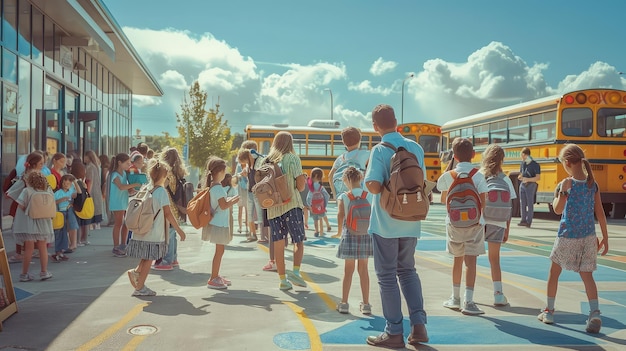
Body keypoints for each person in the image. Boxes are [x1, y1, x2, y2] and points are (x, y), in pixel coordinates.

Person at [364, 104, 428, 348]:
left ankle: (393, 332)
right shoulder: (416, 148)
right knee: (408, 271)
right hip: (411, 221)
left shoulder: (380, 149)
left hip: (386, 223)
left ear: (375, 126)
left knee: (387, 276)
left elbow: (373, 185)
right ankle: (419, 326)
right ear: (396, 121)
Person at [537, 144, 609, 333]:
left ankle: (549, 311)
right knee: (587, 276)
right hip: (588, 237)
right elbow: (600, 213)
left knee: (554, 273)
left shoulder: (566, 184)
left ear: (567, 163)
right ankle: (594, 312)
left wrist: (563, 191)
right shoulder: (592, 184)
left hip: (568, 236)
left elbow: (558, 209)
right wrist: (605, 238)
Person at [437, 137, 488, 316]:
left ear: (454, 156)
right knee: (471, 262)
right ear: (473, 155)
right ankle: (469, 301)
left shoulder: (448, 175)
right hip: (475, 224)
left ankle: (455, 298)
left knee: (457, 260)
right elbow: (483, 201)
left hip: (453, 224)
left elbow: (444, 199)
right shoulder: (478, 175)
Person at [126, 159, 186, 296]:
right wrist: (179, 230)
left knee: (146, 257)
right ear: (164, 176)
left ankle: (135, 272)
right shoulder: (162, 192)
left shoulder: (145, 188)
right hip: (153, 232)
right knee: (149, 259)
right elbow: (168, 214)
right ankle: (140, 288)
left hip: (142, 229)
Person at [265, 131, 307, 290]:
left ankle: (283, 280)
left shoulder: (266, 160)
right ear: (290, 143)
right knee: (298, 240)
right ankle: (295, 272)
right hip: (292, 205)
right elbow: (301, 186)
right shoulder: (293, 158)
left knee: (278, 243)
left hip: (274, 208)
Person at [480, 144, 516, 306]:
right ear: (502, 160)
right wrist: (507, 228)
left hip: (481, 221)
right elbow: (510, 206)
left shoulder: (480, 176)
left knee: (471, 258)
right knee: (494, 259)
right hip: (499, 222)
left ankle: (468, 295)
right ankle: (498, 294)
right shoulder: (506, 179)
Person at [335, 166, 373, 315]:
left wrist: (339, 232)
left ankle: (344, 303)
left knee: (348, 271)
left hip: (349, 233)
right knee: (363, 270)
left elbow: (340, 214)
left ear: (346, 180)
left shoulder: (344, 196)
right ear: (361, 178)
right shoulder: (368, 194)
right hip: (365, 234)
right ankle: (366, 304)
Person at [202, 157, 239, 289]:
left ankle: (216, 275)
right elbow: (223, 205)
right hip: (219, 224)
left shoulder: (214, 187)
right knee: (219, 251)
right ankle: (213, 277)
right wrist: (234, 200)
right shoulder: (217, 188)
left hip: (218, 222)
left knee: (220, 250)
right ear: (220, 172)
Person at [14, 171, 54, 282]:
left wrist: (29, 210)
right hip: (43, 223)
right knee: (42, 247)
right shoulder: (48, 190)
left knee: (29, 249)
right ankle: (44, 272)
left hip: (29, 223)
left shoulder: (27, 191)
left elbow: (21, 205)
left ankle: (24, 274)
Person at [153, 147, 188, 270]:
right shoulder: (178, 174)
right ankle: (173, 258)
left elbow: (161, 187)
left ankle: (166, 261)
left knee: (167, 235)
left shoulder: (167, 174)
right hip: (175, 209)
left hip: (167, 206)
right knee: (172, 235)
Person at [108, 153, 140, 257]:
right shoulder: (114, 175)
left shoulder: (124, 174)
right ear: (119, 163)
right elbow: (121, 187)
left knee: (126, 224)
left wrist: (131, 190)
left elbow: (125, 188)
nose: (129, 165)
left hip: (123, 201)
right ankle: (116, 247)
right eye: (127, 163)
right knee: (119, 223)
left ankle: (123, 244)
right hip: (117, 202)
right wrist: (134, 185)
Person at [329, 126, 370, 200]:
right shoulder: (366, 154)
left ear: (343, 142)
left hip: (343, 196)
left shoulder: (340, 158)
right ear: (359, 140)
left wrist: (335, 195)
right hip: (361, 196)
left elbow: (330, 176)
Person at [52, 174, 79, 262]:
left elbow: (78, 194)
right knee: (60, 231)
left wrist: (75, 182)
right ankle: (59, 251)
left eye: (68, 183)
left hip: (69, 210)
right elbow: (53, 202)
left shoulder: (71, 191)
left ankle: (63, 250)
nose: (66, 185)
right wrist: (62, 199)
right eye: (64, 183)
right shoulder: (58, 193)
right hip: (61, 212)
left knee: (69, 227)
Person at [518, 147, 541, 227]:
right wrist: (520, 177)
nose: (521, 157)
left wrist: (528, 179)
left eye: (522, 155)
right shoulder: (523, 163)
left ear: (525, 155)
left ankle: (529, 221)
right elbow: (521, 173)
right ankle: (523, 220)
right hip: (523, 184)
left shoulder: (535, 164)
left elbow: (538, 177)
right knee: (522, 203)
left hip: (530, 185)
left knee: (530, 203)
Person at [306, 167, 330, 237]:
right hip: (321, 206)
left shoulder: (311, 187)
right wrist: (324, 205)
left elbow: (309, 197)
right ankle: (321, 232)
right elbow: (327, 195)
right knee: (321, 218)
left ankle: (316, 231)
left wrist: (309, 205)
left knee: (315, 219)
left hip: (313, 206)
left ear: (315, 175)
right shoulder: (321, 187)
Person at [84, 150, 103, 232]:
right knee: (96, 207)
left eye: (85, 156)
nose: (84, 158)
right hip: (97, 190)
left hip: (92, 190)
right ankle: (97, 225)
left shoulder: (90, 167)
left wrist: (88, 192)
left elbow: (89, 180)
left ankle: (92, 225)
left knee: (92, 207)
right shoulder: (96, 166)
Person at [221, 173, 238, 239]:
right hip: (230, 208)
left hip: (222, 208)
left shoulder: (220, 188)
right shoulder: (231, 188)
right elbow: (235, 196)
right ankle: (230, 236)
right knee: (230, 222)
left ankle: (222, 236)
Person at [235, 160, 249, 235]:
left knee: (247, 209)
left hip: (246, 190)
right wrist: (240, 174)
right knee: (240, 209)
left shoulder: (248, 165)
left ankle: (247, 227)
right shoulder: (238, 166)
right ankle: (240, 227)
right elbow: (236, 176)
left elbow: (249, 177)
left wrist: (246, 175)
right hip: (240, 190)